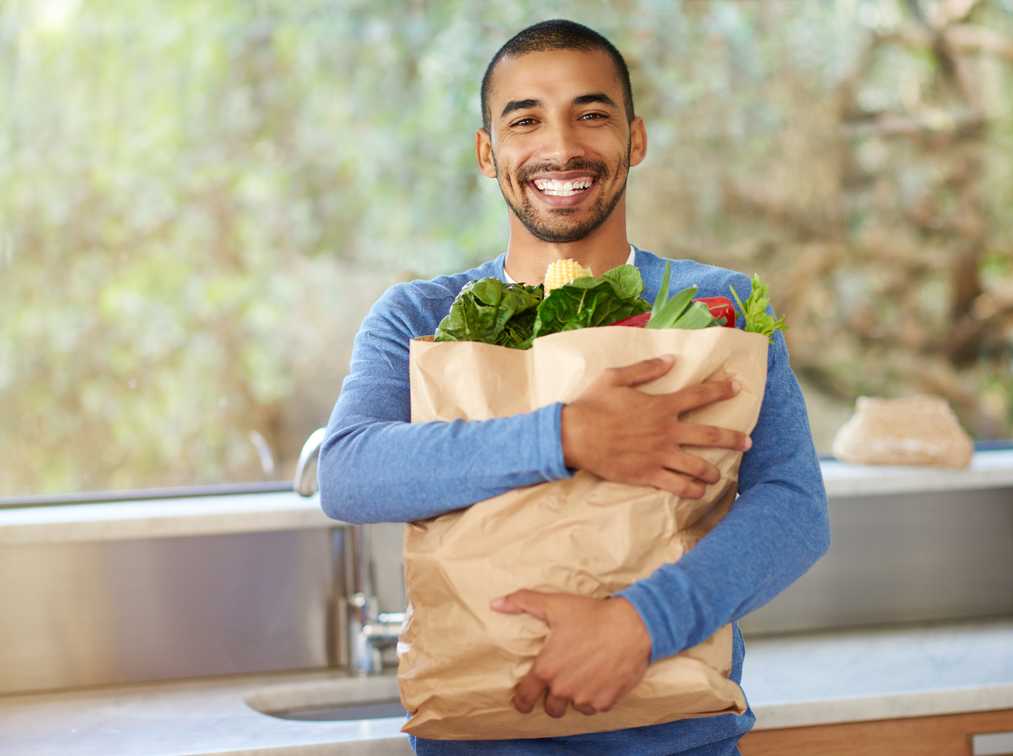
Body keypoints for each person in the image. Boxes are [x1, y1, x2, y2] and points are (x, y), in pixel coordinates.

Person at [319, 19, 830, 756]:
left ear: (637, 139)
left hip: (677, 740)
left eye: (592, 115)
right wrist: (567, 436)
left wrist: (641, 622)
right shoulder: (420, 317)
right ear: (488, 154)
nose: (561, 148)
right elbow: (349, 474)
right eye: (526, 120)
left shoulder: (720, 308)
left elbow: (795, 509)